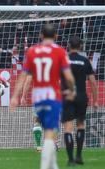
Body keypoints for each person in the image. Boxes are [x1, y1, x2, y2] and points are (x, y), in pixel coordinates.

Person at [10, 24, 75, 169]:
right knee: (51, 131)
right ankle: (45, 165)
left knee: (38, 122)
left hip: (38, 96)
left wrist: (16, 96)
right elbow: (68, 77)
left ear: (41, 35)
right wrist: (72, 90)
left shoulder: (33, 51)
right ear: (56, 36)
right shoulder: (59, 51)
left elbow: (25, 76)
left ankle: (51, 163)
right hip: (53, 95)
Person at [61, 36, 98, 166]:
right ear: (81, 47)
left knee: (68, 128)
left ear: (68, 46)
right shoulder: (85, 61)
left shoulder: (64, 60)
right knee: (81, 125)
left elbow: (57, 80)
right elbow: (93, 82)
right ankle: (79, 156)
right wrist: (95, 100)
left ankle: (71, 159)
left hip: (68, 96)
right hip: (81, 97)